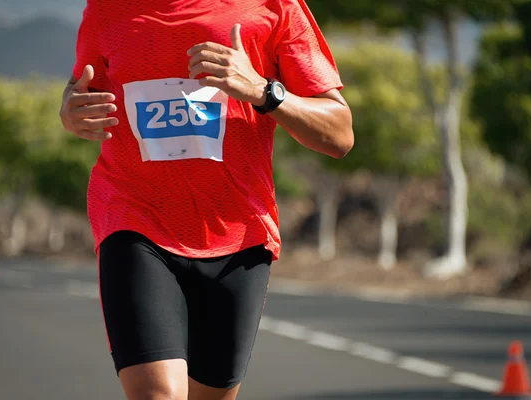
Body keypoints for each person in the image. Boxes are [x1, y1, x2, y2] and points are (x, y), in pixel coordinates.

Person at [59, 0, 354, 399]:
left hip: (239, 232)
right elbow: (81, 88)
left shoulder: (274, 6)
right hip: (134, 217)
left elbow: (339, 135)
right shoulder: (107, 9)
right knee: (157, 392)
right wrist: (70, 112)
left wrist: (262, 91)